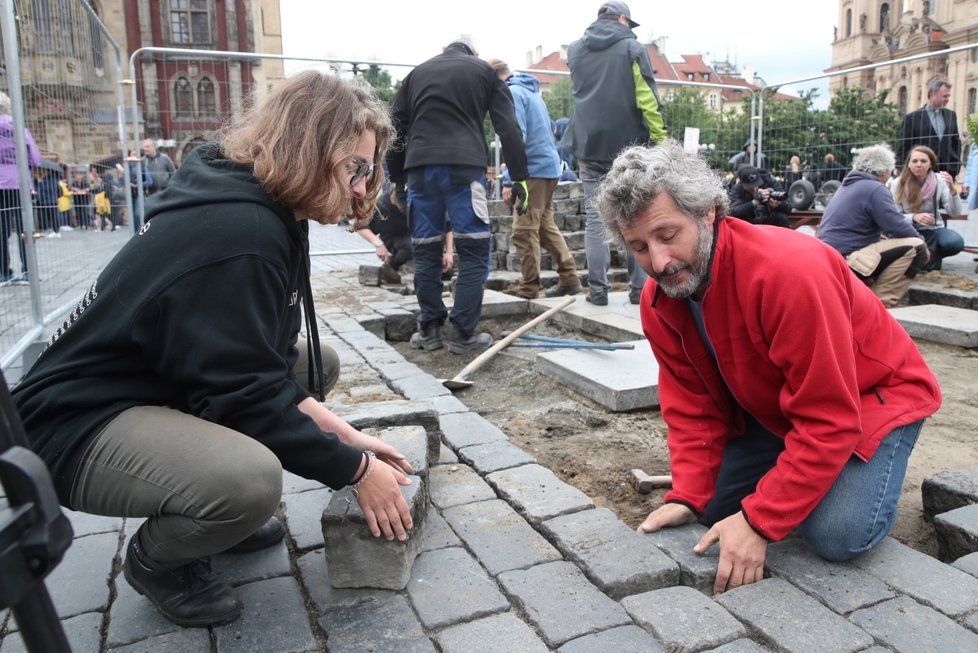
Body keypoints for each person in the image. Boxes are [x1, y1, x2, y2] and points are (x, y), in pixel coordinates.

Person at [12, 71, 414, 628]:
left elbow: (265, 367)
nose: (360, 189)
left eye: (368, 172)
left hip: (150, 383)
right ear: (310, 149)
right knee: (247, 483)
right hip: (72, 424)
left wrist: (349, 438)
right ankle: (160, 560)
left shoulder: (268, 205)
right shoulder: (240, 231)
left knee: (315, 365)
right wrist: (354, 470)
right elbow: (246, 395)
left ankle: (213, 510)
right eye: (356, 168)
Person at [596, 140, 940, 595]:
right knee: (712, 506)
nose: (658, 262)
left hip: (871, 397)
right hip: (779, 407)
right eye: (638, 246)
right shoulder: (659, 298)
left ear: (707, 213)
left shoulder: (787, 273)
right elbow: (691, 403)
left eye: (667, 235)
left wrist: (759, 521)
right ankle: (797, 470)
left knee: (835, 534)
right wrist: (687, 493)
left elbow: (829, 415)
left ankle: (866, 470)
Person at [387, 35, 529, 354]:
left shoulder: (417, 74)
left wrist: (397, 179)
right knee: (475, 249)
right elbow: (508, 127)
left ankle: (430, 330)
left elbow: (395, 126)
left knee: (425, 250)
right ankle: (463, 334)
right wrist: (519, 177)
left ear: (442, 51)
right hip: (466, 170)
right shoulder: (484, 72)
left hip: (420, 170)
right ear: (476, 54)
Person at [561, 0, 666, 306]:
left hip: (589, 144)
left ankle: (597, 291)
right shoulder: (633, 48)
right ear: (622, 19)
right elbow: (646, 97)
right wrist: (661, 140)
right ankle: (638, 292)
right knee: (637, 214)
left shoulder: (574, 50)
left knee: (595, 219)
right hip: (629, 147)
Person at [489, 58, 581, 299]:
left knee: (523, 230)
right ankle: (569, 278)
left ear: (493, 77)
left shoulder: (511, 92)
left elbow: (515, 135)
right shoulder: (531, 92)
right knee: (544, 227)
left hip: (533, 173)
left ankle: (529, 287)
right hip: (547, 169)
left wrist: (510, 179)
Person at [817, 144, 928, 307]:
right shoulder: (875, 188)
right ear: (884, 171)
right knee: (917, 248)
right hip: (848, 259)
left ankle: (865, 298)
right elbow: (896, 225)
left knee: (890, 245)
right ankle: (880, 304)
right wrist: (923, 244)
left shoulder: (848, 185)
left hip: (831, 258)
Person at [892, 144, 964, 271]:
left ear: (931, 164)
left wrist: (952, 190)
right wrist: (914, 217)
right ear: (908, 164)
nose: (919, 164)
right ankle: (917, 259)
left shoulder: (939, 181)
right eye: (914, 161)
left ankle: (933, 257)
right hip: (908, 229)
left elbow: (955, 212)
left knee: (955, 243)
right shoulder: (897, 183)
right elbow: (894, 216)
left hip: (933, 229)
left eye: (923, 161)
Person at [0, 91, 41, 283]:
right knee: (26, 229)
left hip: (1, 186)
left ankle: (4, 272)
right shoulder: (20, 129)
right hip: (20, 184)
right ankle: (29, 271)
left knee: (2, 229)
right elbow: (35, 159)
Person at [897, 77, 961, 177]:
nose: (947, 99)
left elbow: (956, 142)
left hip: (946, 173)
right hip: (920, 173)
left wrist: (956, 166)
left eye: (948, 96)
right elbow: (904, 146)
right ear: (932, 95)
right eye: (944, 96)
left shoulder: (951, 115)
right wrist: (903, 171)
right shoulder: (912, 118)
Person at [356, 180, 412, 284]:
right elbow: (360, 226)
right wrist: (378, 244)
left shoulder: (417, 202)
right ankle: (390, 268)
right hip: (392, 237)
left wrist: (448, 251)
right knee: (409, 247)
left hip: (414, 234)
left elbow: (445, 225)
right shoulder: (382, 206)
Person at [726, 164, 792, 228]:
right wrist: (754, 202)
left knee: (782, 218)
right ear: (741, 183)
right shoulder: (737, 188)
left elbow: (788, 206)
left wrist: (778, 204)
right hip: (749, 222)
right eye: (750, 187)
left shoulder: (769, 181)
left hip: (770, 219)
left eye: (756, 184)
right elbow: (734, 212)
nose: (754, 188)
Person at [127, 148, 153, 231]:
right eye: (132, 154)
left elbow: (149, 181)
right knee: (132, 216)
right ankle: (134, 233)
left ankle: (140, 231)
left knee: (138, 214)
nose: (133, 156)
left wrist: (138, 185)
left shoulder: (142, 167)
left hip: (139, 193)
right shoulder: (127, 167)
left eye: (135, 154)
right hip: (129, 194)